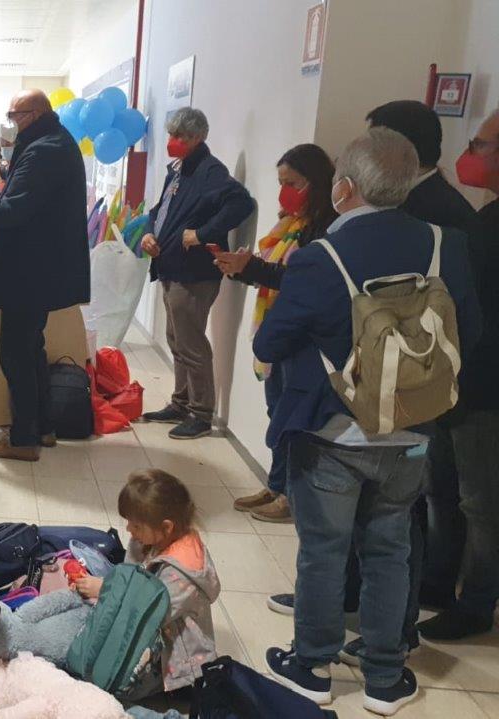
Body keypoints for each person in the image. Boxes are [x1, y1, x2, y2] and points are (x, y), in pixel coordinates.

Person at [256, 128, 481, 717]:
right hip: (413, 431)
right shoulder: (447, 245)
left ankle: (312, 666)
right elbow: (470, 332)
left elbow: (270, 341)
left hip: (332, 431)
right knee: (390, 549)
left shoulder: (319, 256)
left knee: (324, 550)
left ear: (346, 187)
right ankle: (384, 677)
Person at [368, 99, 483, 623]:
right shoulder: (413, 202)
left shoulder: (438, 213)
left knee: (439, 495)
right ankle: (418, 590)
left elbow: (461, 315)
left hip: (433, 381)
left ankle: (438, 593)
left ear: (400, 149)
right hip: (409, 378)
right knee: (424, 493)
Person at [0, 89, 90, 461]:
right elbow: (25, 200)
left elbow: (13, 211)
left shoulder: (43, 150)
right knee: (31, 349)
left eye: (14, 116)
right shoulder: (52, 143)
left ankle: (23, 439)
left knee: (15, 354)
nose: (10, 123)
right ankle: (42, 427)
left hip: (29, 272)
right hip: (39, 270)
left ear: (34, 114)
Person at [214, 144, 337, 524]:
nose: (285, 191)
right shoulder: (290, 224)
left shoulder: (328, 228)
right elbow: (273, 274)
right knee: (276, 412)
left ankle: (289, 496)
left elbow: (299, 281)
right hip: (278, 331)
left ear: (317, 182)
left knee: (291, 420)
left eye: (293, 183)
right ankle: (275, 484)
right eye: (281, 182)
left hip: (304, 339)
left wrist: (251, 267)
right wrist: (243, 268)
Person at [414, 107, 499, 640]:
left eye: (480, 144)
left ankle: (478, 602)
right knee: (440, 489)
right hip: (453, 380)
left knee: (482, 502)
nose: (468, 155)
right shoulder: (485, 217)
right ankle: (438, 582)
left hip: (486, 389)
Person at [139, 107, 255, 441]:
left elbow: (242, 204)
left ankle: (201, 414)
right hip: (170, 266)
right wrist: (149, 232)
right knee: (176, 339)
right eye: (171, 134)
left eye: (182, 137)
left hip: (194, 273)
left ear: (199, 138)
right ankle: (181, 402)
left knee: (191, 343)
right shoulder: (178, 170)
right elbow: (159, 210)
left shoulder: (210, 171)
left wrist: (203, 234)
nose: (173, 141)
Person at [75, 469, 221, 699]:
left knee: (105, 684)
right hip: (152, 636)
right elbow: (132, 579)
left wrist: (104, 589)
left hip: (174, 664)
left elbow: (141, 615)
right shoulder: (153, 540)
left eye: (136, 526)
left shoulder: (180, 574)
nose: (128, 530)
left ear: (166, 527)